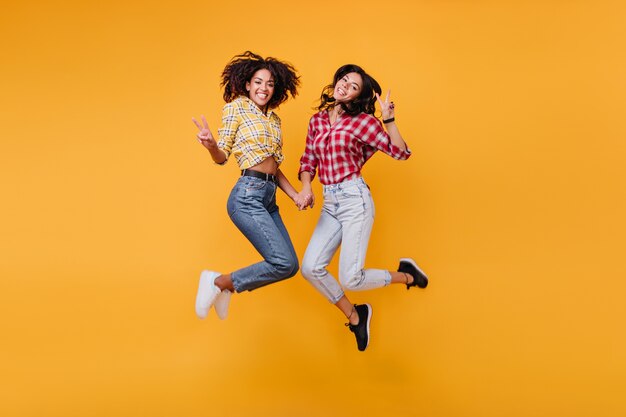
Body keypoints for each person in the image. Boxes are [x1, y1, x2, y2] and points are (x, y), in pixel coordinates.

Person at [296, 64, 429, 351]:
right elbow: (307, 161)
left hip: (355, 200)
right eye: (344, 80)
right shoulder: (317, 121)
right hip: (330, 202)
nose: (345, 86)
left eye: (353, 86)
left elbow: (400, 152)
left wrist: (389, 119)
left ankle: (406, 275)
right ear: (336, 82)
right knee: (309, 268)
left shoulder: (364, 123)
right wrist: (307, 187)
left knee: (351, 278)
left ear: (358, 97)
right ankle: (356, 315)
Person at [192, 51, 311, 320]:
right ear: (247, 84)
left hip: (269, 197)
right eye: (258, 82)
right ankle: (219, 283)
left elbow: (273, 166)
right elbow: (222, 155)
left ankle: (227, 288)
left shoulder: (274, 120)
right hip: (247, 195)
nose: (264, 88)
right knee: (281, 261)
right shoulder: (236, 108)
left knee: (289, 265)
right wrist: (211, 146)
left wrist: (294, 195)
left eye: (269, 84)